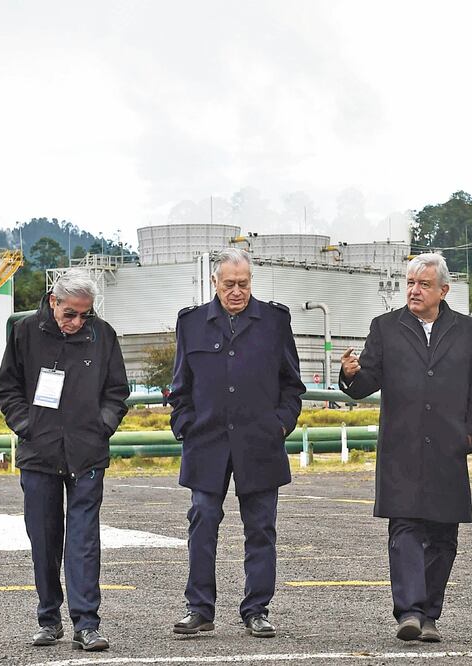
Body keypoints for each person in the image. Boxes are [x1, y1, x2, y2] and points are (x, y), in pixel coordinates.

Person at [339, 253, 472, 643]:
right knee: (405, 528)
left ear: (443, 290)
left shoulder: (469, 332)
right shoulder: (385, 327)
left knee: (443, 535)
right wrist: (349, 375)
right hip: (401, 448)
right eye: (410, 282)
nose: (414, 289)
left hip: (448, 449)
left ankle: (429, 616)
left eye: (424, 284)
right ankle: (408, 612)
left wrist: (470, 436)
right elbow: (364, 384)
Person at [169, 248, 305, 638]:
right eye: (229, 284)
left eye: (243, 284)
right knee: (202, 521)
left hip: (260, 442)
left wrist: (280, 424)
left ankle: (257, 609)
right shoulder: (192, 323)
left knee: (261, 529)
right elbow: (180, 387)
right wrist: (185, 425)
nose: (236, 291)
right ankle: (199, 609)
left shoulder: (275, 321)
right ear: (215, 282)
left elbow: (292, 385)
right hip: (207, 441)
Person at [0, 269, 129, 651]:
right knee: (44, 538)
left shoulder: (102, 335)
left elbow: (117, 390)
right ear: (53, 301)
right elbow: (7, 388)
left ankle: (87, 623)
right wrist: (27, 424)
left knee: (84, 540)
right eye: (71, 313)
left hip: (87, 453)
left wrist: (102, 425)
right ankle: (49, 617)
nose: (77, 322)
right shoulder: (24, 333)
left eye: (85, 314)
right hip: (39, 453)